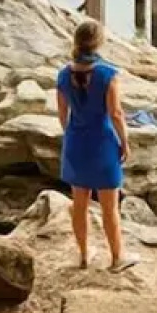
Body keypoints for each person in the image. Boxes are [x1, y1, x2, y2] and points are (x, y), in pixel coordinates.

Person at [56, 20, 138, 272]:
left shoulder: (62, 75)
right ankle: (116, 258)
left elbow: (62, 114)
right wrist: (124, 142)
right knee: (109, 208)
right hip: (102, 143)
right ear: (99, 43)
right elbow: (115, 113)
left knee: (78, 204)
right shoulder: (107, 74)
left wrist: (71, 135)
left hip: (76, 142)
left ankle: (82, 255)